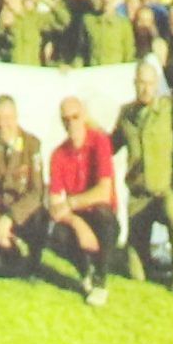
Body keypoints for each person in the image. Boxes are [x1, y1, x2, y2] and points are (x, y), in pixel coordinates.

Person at [43, 94, 118, 306]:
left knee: (105, 218)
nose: (71, 123)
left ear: (83, 116)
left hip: (101, 216)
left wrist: (71, 204)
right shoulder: (58, 154)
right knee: (57, 233)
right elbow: (55, 206)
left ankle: (100, 281)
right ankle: (86, 272)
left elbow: (104, 192)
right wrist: (78, 224)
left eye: (75, 117)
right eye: (65, 119)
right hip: (79, 218)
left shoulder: (99, 142)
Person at [115, 60, 173, 288]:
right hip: (138, 198)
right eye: (141, 83)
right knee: (136, 275)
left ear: (156, 85)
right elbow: (109, 145)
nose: (145, 88)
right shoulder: (126, 115)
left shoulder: (169, 108)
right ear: (134, 84)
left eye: (150, 83)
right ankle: (144, 260)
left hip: (162, 193)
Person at [0, 94, 50, 284]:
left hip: (22, 213)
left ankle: (33, 266)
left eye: (8, 119)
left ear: (16, 117)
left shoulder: (32, 144)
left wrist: (11, 218)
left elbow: (36, 191)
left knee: (41, 216)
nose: (4, 124)